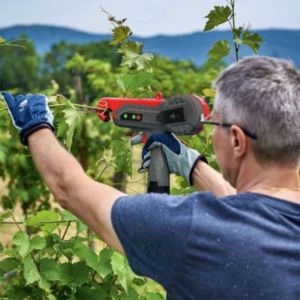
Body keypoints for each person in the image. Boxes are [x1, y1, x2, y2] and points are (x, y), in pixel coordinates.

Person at [2, 56, 300, 300]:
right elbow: (254, 213)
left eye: (215, 123)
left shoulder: (194, 229)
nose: (210, 129)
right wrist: (190, 164)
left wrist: (35, 125)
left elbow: (69, 188)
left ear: (237, 141)